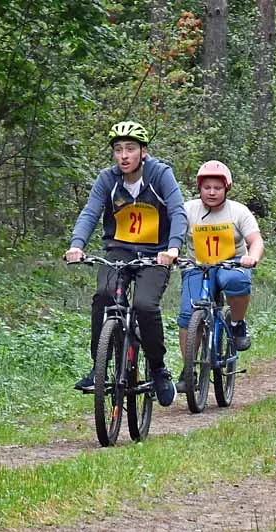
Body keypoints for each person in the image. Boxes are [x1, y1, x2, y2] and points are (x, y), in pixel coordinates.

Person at [65, 120, 187, 407]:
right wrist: (76, 245)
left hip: (156, 253)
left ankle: (158, 368)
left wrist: (173, 248)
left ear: (143, 151)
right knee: (104, 296)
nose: (123, 155)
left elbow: (178, 211)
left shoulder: (160, 175)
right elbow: (90, 212)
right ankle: (99, 367)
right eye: (118, 149)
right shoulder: (107, 180)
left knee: (145, 305)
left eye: (130, 149)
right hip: (119, 250)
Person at [175, 160, 264, 393]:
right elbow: (172, 234)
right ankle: (188, 370)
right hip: (198, 265)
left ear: (226, 188)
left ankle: (236, 323)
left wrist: (251, 257)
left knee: (235, 281)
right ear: (199, 188)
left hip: (231, 263)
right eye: (207, 187)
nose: (212, 192)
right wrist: (170, 252)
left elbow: (255, 240)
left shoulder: (238, 211)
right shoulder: (188, 210)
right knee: (187, 314)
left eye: (217, 187)